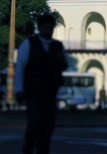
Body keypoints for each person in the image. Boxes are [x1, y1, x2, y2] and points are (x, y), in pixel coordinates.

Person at [15, 13, 68, 154]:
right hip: (32, 92)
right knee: (35, 125)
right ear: (40, 28)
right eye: (45, 28)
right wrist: (19, 89)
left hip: (50, 94)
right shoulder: (29, 44)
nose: (48, 31)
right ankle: (27, 149)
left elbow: (63, 65)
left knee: (47, 128)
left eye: (50, 28)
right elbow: (20, 66)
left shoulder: (57, 46)